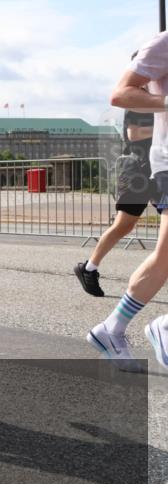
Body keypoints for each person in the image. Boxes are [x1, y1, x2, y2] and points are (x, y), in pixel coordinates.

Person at [88, 31, 168, 370]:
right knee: (141, 236)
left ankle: (115, 328)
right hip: (164, 162)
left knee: (165, 255)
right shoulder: (163, 44)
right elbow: (120, 94)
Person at [74, 58, 160, 297]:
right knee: (124, 224)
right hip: (136, 169)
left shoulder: (157, 98)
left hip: (157, 168)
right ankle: (89, 268)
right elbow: (134, 134)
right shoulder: (136, 98)